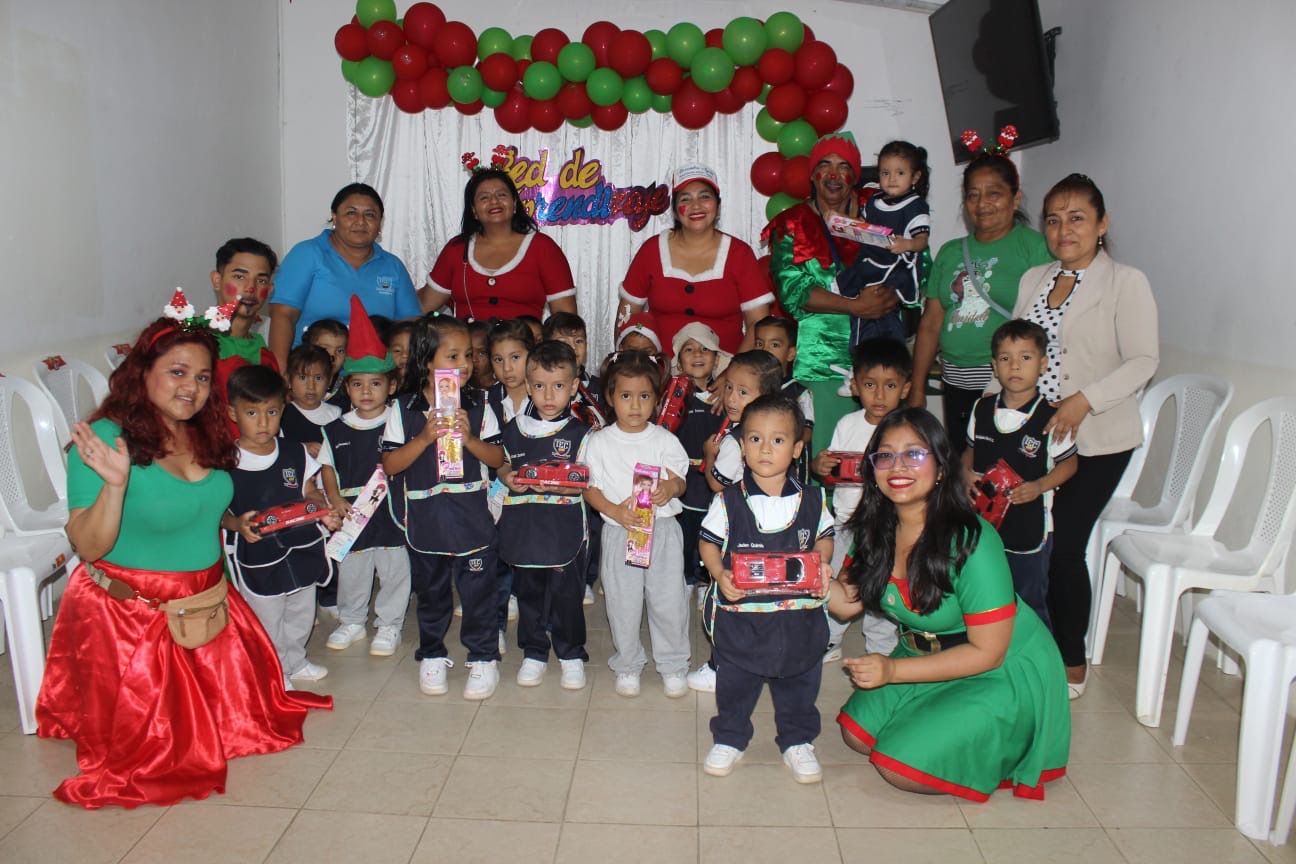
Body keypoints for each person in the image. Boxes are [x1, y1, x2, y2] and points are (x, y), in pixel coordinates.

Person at [36, 304, 330, 809]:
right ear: (141, 373)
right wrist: (115, 485)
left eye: (202, 377)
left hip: (210, 606)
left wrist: (236, 523)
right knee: (164, 752)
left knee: (245, 726)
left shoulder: (203, 429)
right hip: (132, 619)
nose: (191, 387)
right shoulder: (105, 439)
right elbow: (89, 546)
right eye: (177, 372)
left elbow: (202, 505)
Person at [829, 408, 1070, 801]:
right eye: (885, 455)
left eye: (914, 454)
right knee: (855, 735)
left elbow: (988, 653)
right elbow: (845, 606)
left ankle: (1005, 733)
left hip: (1000, 666)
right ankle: (936, 716)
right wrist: (814, 578)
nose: (898, 466)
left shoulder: (974, 540)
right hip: (924, 651)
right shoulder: (875, 528)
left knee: (897, 767)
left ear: (941, 468)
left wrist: (892, 670)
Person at [1002, 173, 1158, 698]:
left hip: (1098, 438)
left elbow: (1144, 360)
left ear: (1102, 224)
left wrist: (1084, 400)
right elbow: (1013, 350)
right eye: (1053, 220)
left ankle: (1071, 660)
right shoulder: (1035, 278)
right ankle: (1021, 643)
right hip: (1034, 437)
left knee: (1064, 543)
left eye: (1077, 218)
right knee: (1022, 540)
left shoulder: (1126, 282)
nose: (1063, 230)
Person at [700, 395, 835, 785]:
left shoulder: (812, 499)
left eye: (778, 440)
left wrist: (822, 561)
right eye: (755, 439)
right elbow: (708, 543)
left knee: (800, 680)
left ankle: (797, 741)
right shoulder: (727, 501)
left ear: (796, 449)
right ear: (743, 446)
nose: (765, 449)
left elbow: (825, 537)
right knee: (735, 682)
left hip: (798, 619)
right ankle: (730, 737)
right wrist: (719, 573)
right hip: (743, 619)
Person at [383, 316, 506, 701]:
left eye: (468, 355)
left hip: (472, 518)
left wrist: (469, 439)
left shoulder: (480, 404)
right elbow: (390, 465)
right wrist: (423, 438)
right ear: (426, 361)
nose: (465, 364)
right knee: (432, 593)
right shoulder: (403, 408)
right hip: (427, 521)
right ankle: (432, 654)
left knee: (478, 593)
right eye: (453, 356)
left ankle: (483, 657)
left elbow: (497, 457)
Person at [764, 133, 902, 455]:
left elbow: (916, 268)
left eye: (844, 167)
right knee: (826, 459)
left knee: (883, 456)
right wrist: (857, 306)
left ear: (855, 174)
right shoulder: (791, 224)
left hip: (881, 364)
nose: (834, 175)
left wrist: (891, 297)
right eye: (825, 165)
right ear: (813, 175)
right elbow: (793, 293)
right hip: (821, 365)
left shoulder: (882, 213)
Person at [908, 150, 1053, 452]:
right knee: (963, 461)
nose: (982, 203)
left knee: (1003, 462)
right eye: (973, 195)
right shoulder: (950, 252)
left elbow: (1049, 321)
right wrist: (918, 386)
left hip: (1006, 383)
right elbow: (931, 323)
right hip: (954, 381)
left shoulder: (1035, 248)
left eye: (993, 193)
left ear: (1015, 198)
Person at [580, 351, 691, 698]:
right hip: (620, 531)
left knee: (668, 600)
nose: (635, 405)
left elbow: (680, 480)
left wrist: (670, 488)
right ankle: (628, 663)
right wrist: (614, 511)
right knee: (622, 602)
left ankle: (673, 664)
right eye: (626, 395)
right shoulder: (598, 442)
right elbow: (589, 488)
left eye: (644, 396)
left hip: (662, 532)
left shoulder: (664, 440)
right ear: (611, 398)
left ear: (656, 400)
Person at [223, 365, 339, 686]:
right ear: (232, 413)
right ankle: (275, 671)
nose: (263, 423)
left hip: (301, 547)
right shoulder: (225, 461)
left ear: (282, 410)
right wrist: (235, 523)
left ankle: (296, 660)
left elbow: (309, 491)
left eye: (272, 412)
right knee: (268, 617)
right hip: (258, 555)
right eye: (252, 413)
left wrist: (321, 510)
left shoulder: (294, 452)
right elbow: (217, 512)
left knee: (302, 610)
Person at [965, 320, 1077, 627]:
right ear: (994, 365)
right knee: (981, 597)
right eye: (1005, 358)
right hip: (984, 526)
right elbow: (969, 451)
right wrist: (964, 474)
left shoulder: (1052, 417)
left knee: (1028, 602)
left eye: (1025, 357)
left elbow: (1070, 464)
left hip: (1029, 530)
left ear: (1043, 365)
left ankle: (1036, 653)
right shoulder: (981, 410)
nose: (1014, 365)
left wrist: (1040, 486)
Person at [497, 340, 594, 690]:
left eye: (558, 386)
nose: (548, 395)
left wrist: (569, 487)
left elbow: (588, 481)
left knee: (567, 595)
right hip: (524, 528)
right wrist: (506, 476)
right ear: (528, 386)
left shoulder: (582, 434)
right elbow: (502, 464)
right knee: (529, 594)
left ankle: (571, 654)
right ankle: (534, 652)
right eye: (539, 386)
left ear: (573, 387)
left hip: (563, 529)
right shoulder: (514, 428)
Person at [689, 350, 785, 693]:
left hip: (737, 532)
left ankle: (722, 667)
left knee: (729, 602)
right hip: (773, 528)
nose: (731, 398)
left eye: (743, 392)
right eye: (729, 387)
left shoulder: (735, 439)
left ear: (765, 396)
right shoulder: (782, 433)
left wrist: (709, 454)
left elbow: (718, 484)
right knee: (767, 597)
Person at [318, 298, 409, 658]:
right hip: (354, 512)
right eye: (358, 384)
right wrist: (335, 498)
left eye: (375, 383)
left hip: (392, 511)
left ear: (391, 386)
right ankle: (352, 620)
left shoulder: (400, 421)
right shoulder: (335, 428)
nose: (367, 391)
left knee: (395, 570)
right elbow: (327, 467)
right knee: (353, 569)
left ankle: (390, 624)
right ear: (347, 387)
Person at [813, 338, 912, 662]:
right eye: (870, 385)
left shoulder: (906, 430)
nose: (879, 395)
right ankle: (829, 638)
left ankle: (882, 646)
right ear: (855, 386)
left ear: (905, 388)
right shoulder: (847, 424)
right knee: (839, 581)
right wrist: (821, 466)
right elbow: (832, 471)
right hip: (846, 522)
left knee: (883, 585)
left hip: (888, 526)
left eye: (890, 385)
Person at [619, 163, 773, 356]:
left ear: (718, 206)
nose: (696, 205)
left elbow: (758, 324)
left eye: (705, 197)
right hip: (660, 369)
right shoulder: (651, 251)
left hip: (727, 368)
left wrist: (737, 370)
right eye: (686, 199)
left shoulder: (740, 254)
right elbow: (627, 317)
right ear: (675, 211)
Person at [268, 182, 420, 371]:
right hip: (311, 376)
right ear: (334, 216)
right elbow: (283, 315)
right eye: (351, 213)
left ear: (380, 222)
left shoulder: (392, 266)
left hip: (373, 377)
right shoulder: (308, 254)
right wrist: (280, 373)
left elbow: (409, 326)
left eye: (370, 215)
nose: (360, 221)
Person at [424, 168, 578, 321]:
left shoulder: (543, 248)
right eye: (484, 197)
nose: (494, 201)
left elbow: (566, 321)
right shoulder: (456, 249)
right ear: (474, 210)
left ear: (515, 203)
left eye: (501, 195)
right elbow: (423, 306)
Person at [838, 141, 931, 347]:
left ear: (915, 177)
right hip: (870, 257)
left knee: (883, 316)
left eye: (900, 173)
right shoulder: (874, 200)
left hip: (894, 265)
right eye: (885, 173)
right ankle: (861, 347)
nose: (892, 179)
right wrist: (850, 225)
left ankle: (886, 350)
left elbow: (922, 241)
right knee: (858, 302)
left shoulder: (915, 206)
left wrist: (907, 244)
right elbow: (865, 224)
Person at [668, 322, 730, 606]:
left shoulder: (726, 396)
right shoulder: (672, 395)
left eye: (706, 349)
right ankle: (685, 577)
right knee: (685, 531)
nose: (697, 354)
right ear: (679, 360)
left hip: (716, 477)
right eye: (689, 349)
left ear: (717, 359)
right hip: (684, 477)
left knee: (712, 530)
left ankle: (706, 579)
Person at [209, 237, 280, 400]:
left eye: (261, 280)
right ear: (217, 281)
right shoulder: (192, 339)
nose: (251, 288)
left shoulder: (265, 357)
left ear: (269, 290)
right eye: (240, 277)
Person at [753, 316, 815, 484]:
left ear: (790, 353)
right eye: (759, 344)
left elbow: (806, 433)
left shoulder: (800, 393)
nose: (765, 350)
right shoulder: (750, 389)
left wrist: (778, 441)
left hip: (790, 472)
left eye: (774, 345)